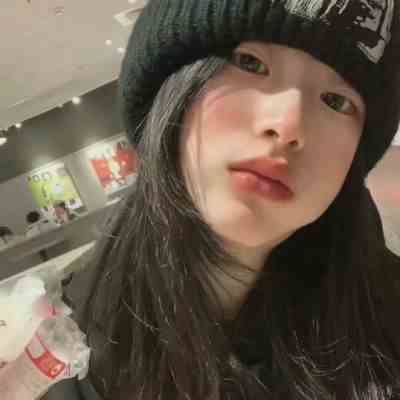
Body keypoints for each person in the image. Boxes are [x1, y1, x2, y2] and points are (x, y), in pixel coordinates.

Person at [41, 0, 400, 399]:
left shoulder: (383, 319)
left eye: (336, 101)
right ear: (172, 85)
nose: (288, 125)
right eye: (250, 63)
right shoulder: (58, 347)